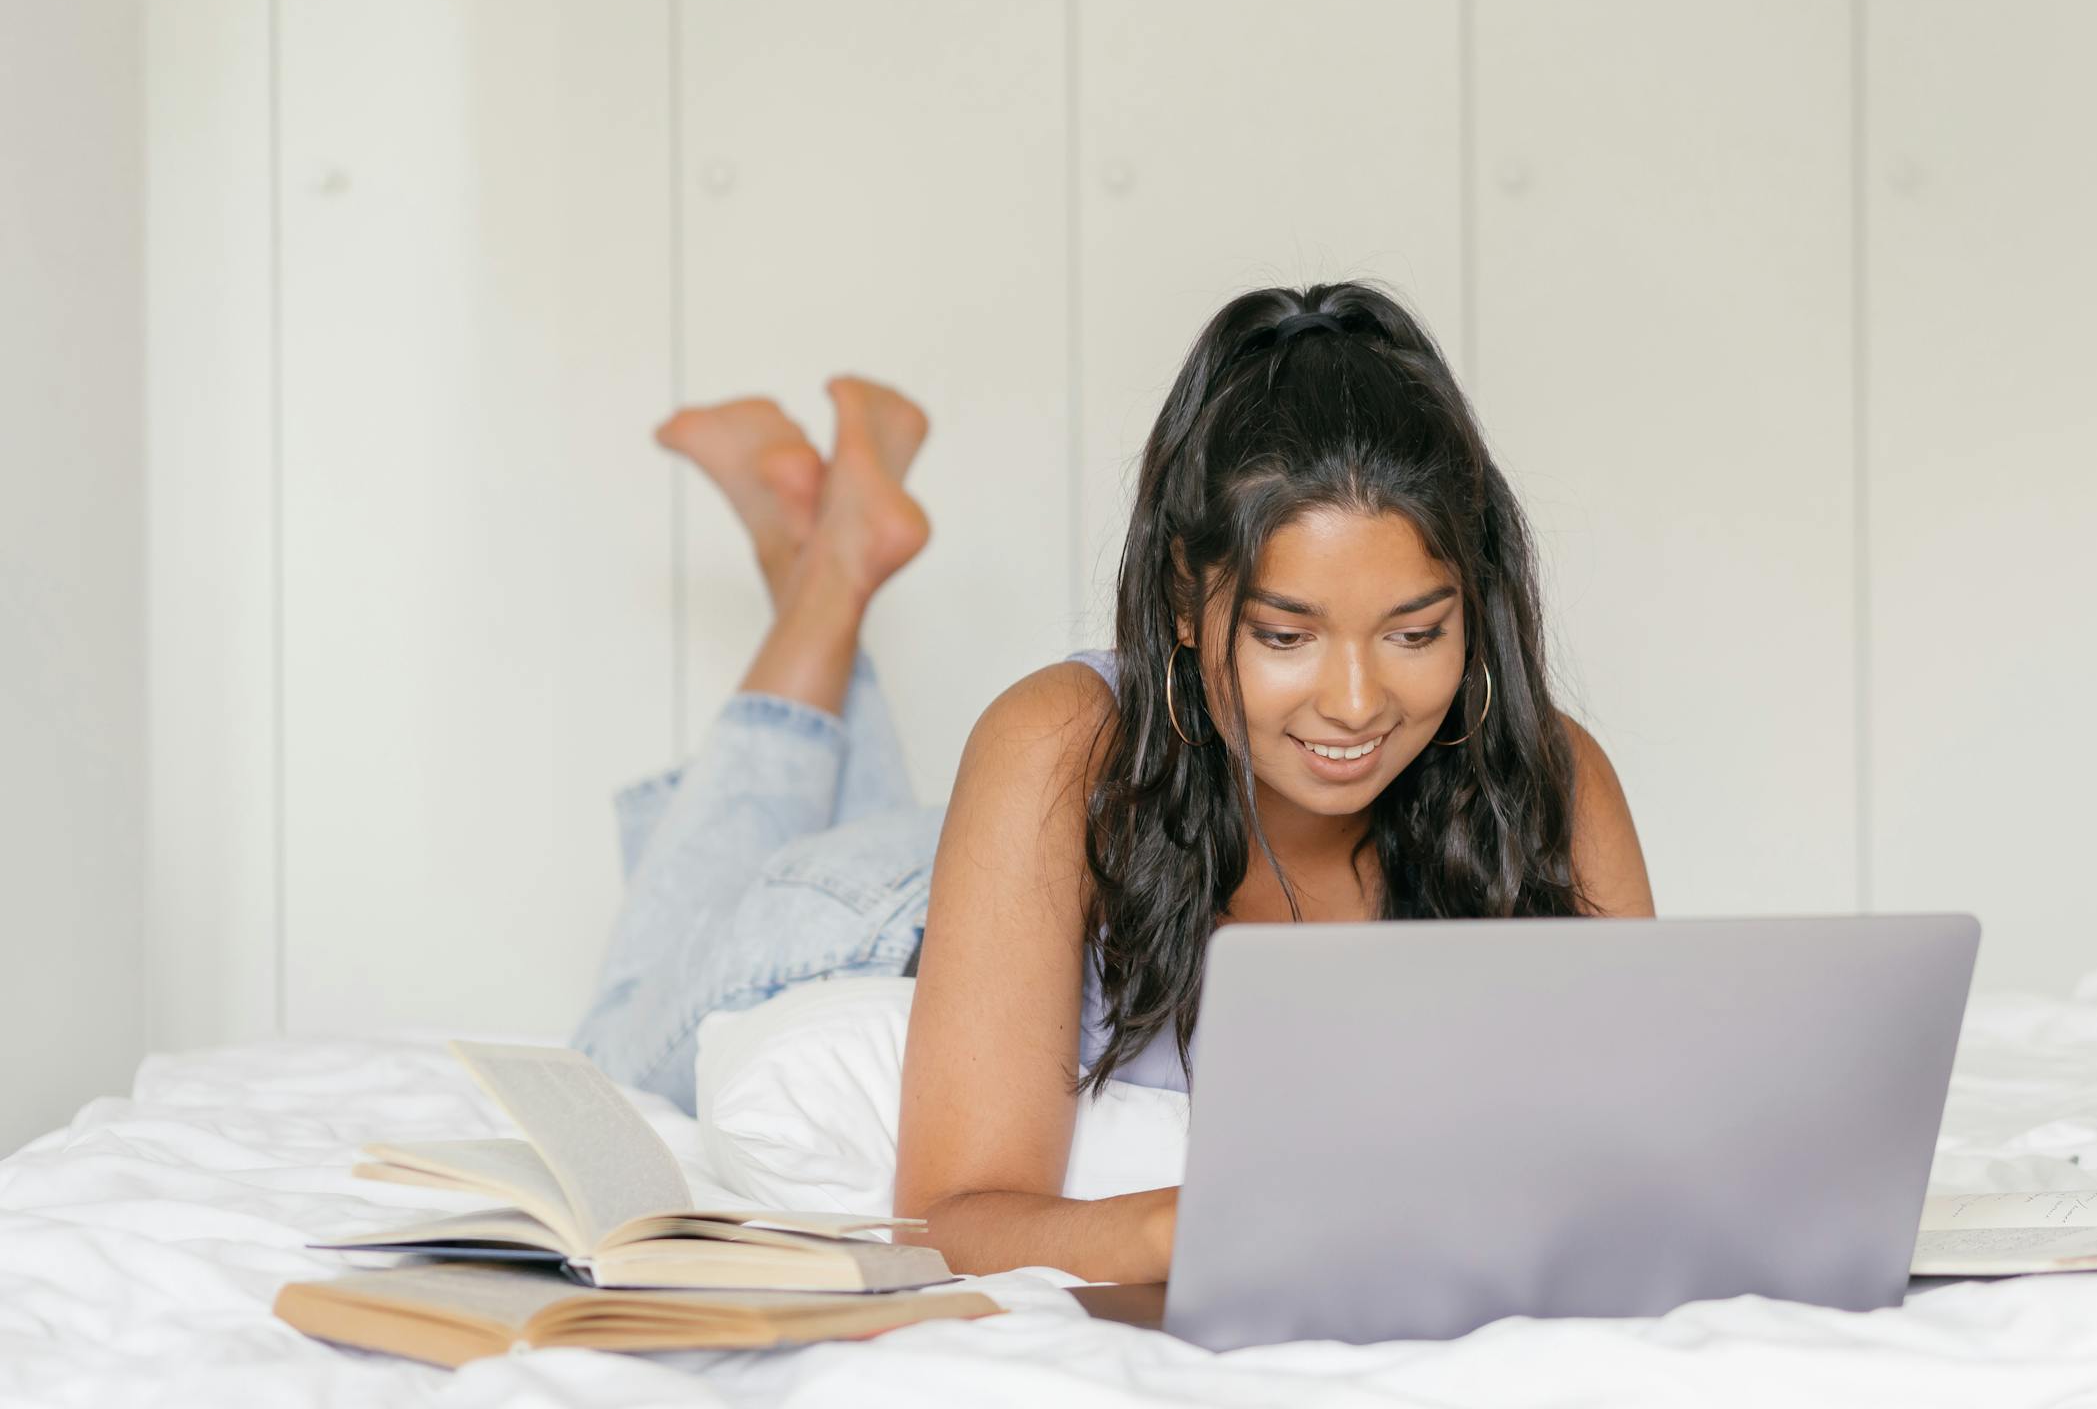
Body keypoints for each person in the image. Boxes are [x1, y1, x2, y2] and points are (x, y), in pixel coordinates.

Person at [572, 280, 1654, 1283]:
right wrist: (1179, 1228)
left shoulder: (1547, 783)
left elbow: (1643, 1150)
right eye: (1287, 634)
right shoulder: (1057, 741)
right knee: (614, 1044)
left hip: (1010, 862)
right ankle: (829, 581)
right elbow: (947, 1212)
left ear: (1477, 604)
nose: (1358, 702)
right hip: (859, 914)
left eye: (1416, 631)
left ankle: (814, 545)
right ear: (1186, 603)